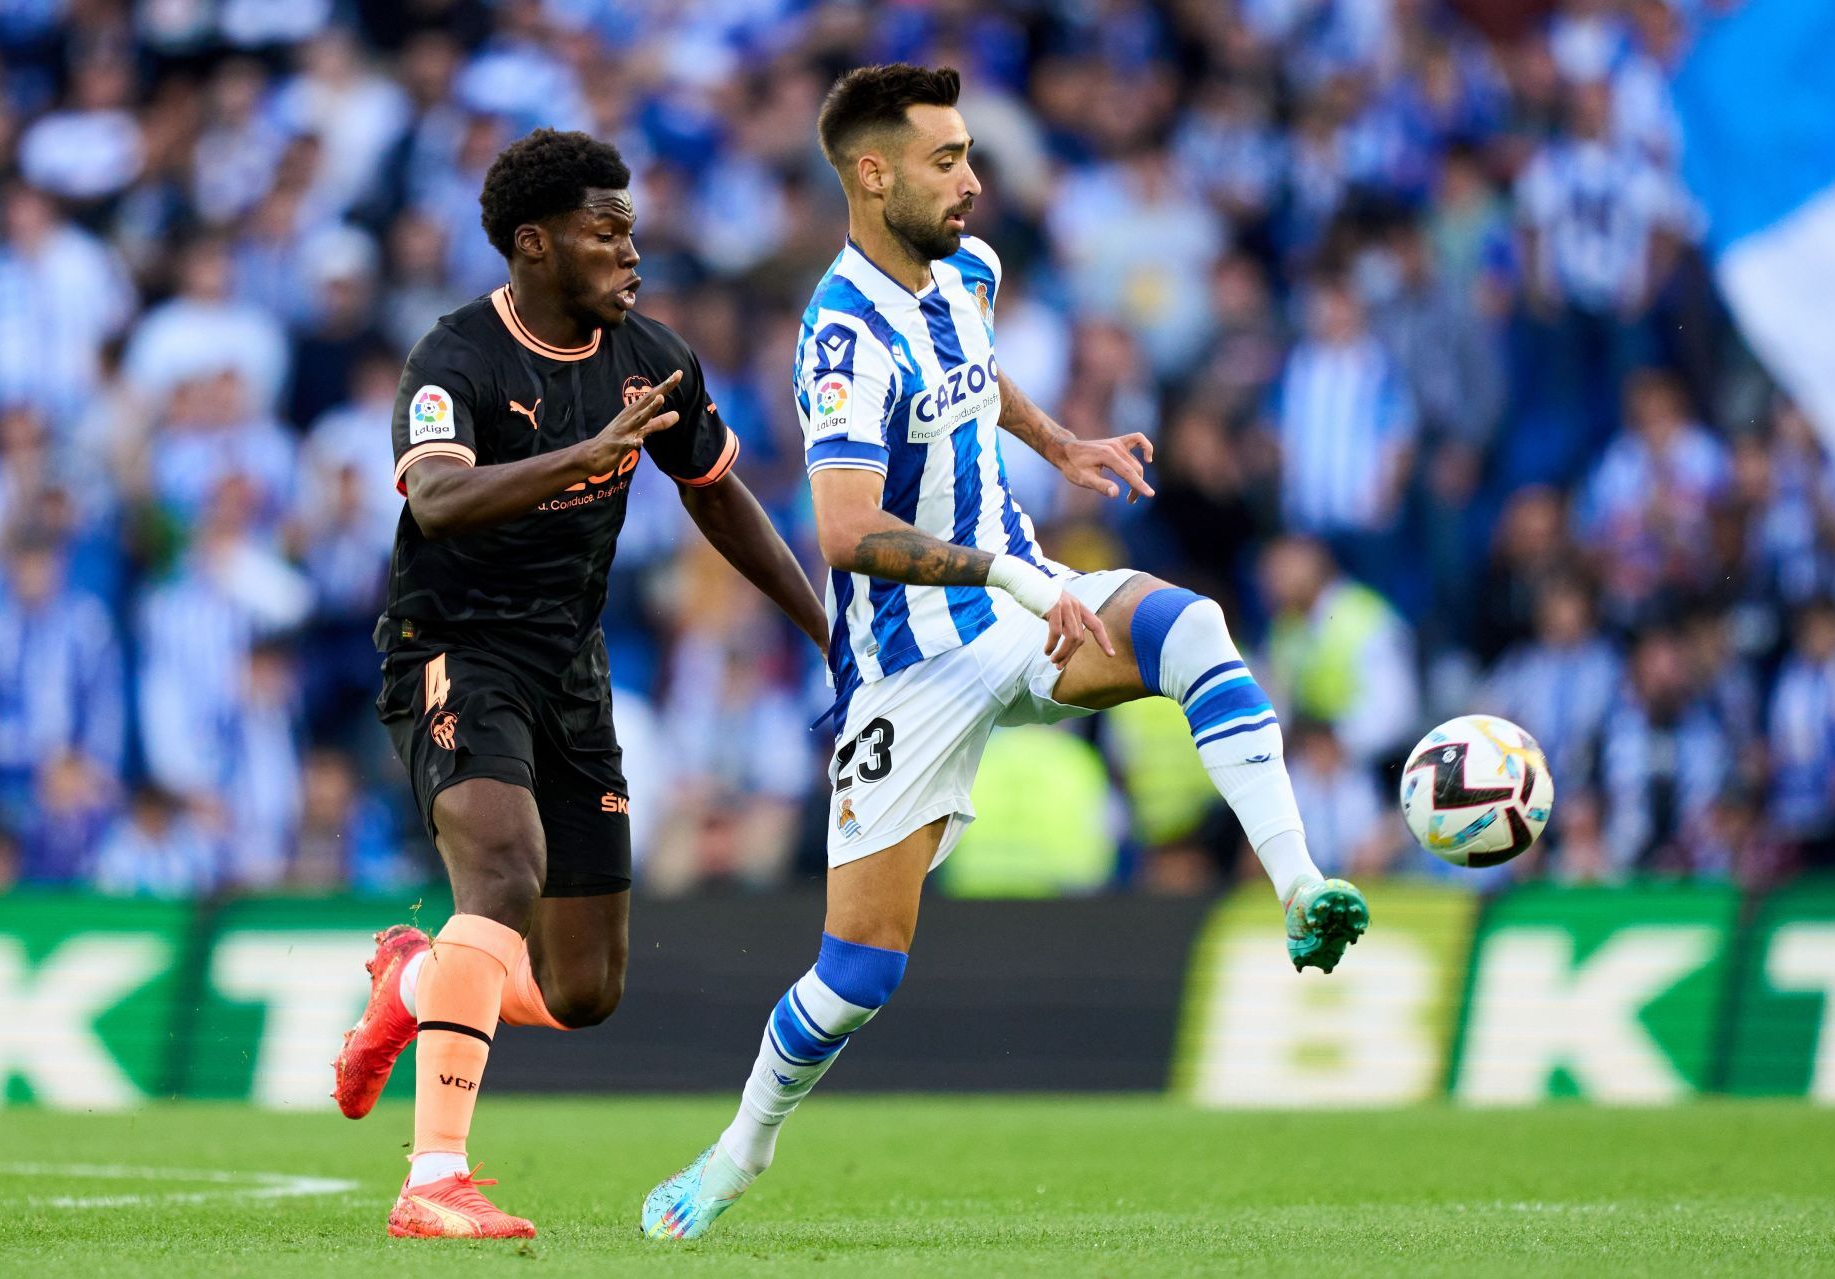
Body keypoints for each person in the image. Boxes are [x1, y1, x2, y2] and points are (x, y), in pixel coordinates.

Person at [639, 64, 1369, 1242]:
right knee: (856, 980)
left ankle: (1298, 885)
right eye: (946, 161)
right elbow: (844, 530)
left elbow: (975, 370)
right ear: (871, 176)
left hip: (1024, 607)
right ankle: (738, 1150)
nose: (972, 179)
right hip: (907, 665)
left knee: (1192, 627)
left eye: (970, 154)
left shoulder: (967, 268)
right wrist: (1017, 572)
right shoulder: (839, 334)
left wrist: (1058, 440)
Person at [326, 128, 828, 1240]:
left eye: (633, 228)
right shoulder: (454, 359)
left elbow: (714, 490)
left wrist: (825, 628)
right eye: (607, 231)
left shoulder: (650, 354)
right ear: (534, 244)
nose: (631, 250)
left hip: (571, 668)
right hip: (456, 648)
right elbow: (439, 503)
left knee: (584, 989)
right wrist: (586, 453)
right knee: (501, 870)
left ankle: (415, 984)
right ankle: (433, 1179)